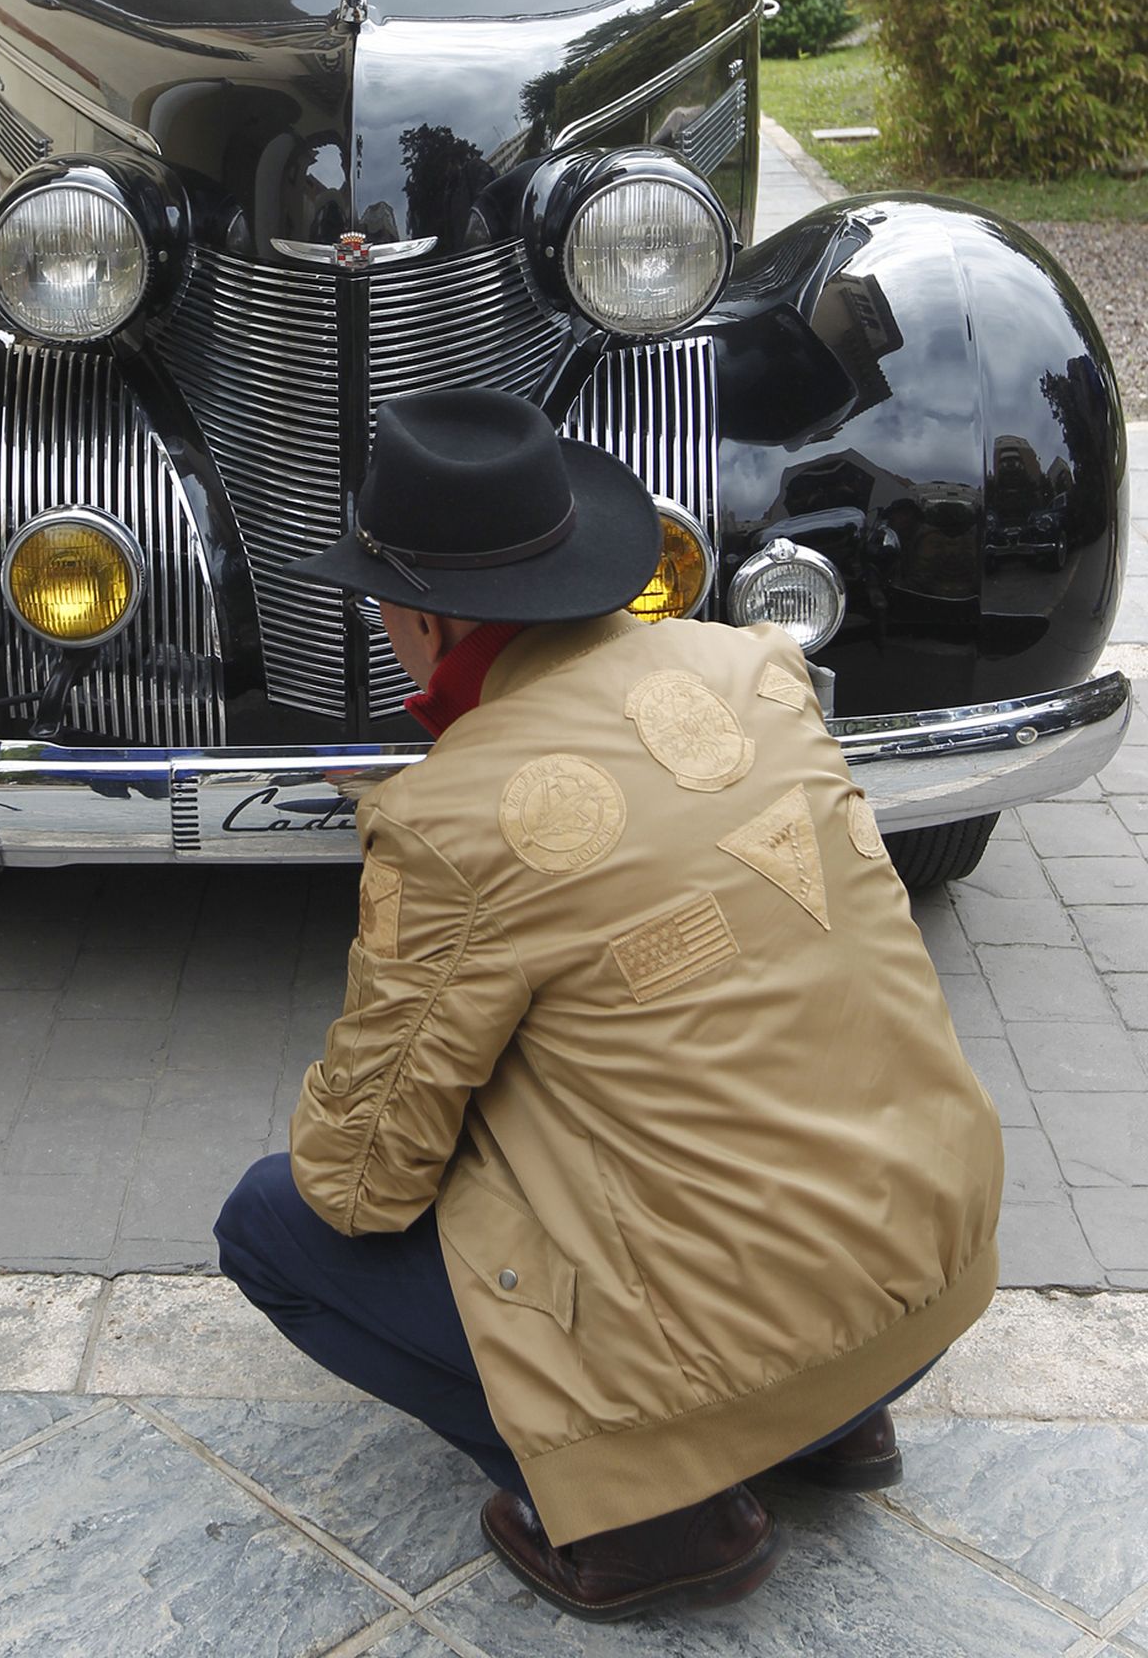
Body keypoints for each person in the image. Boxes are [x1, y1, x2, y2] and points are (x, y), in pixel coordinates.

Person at [215, 388, 1004, 1625]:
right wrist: (449, 787)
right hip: (929, 1274)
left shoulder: (453, 823)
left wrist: (427, 834)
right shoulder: (753, 667)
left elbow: (357, 1180)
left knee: (270, 1226)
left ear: (417, 613)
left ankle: (657, 1523)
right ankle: (830, 1424)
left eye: (378, 595)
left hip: (710, 1358)